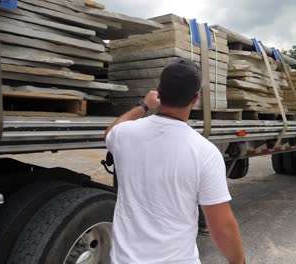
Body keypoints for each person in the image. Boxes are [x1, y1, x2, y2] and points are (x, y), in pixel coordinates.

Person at [105, 58, 245, 264]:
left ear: (158, 92)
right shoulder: (205, 152)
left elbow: (110, 131)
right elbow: (221, 227)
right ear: (195, 99)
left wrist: (144, 106)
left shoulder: (125, 135)